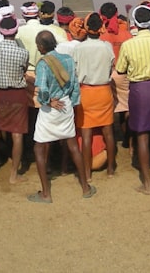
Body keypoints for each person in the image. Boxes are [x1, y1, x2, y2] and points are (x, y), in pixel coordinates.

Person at [28, 30, 94, 203]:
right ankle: (85, 187)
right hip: (65, 105)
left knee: (39, 148)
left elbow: (42, 89)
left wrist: (47, 102)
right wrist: (71, 104)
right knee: (72, 145)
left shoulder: (43, 64)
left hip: (51, 108)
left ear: (41, 47)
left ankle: (46, 193)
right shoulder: (68, 59)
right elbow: (74, 85)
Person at [115, 4, 150, 195]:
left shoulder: (128, 44)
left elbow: (121, 69)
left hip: (139, 89)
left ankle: (147, 184)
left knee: (141, 135)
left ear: (135, 22)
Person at [0, 13, 30, 183]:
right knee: (17, 134)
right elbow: (24, 70)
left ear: (1, 31)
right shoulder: (23, 53)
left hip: (0, 94)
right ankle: (13, 175)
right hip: (17, 94)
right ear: (16, 32)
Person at [72, 13, 116, 181]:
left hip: (86, 92)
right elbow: (112, 65)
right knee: (108, 132)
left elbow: (75, 70)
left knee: (86, 133)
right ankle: (111, 169)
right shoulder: (107, 47)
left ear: (87, 28)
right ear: (100, 29)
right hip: (104, 91)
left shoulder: (79, 48)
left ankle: (87, 173)